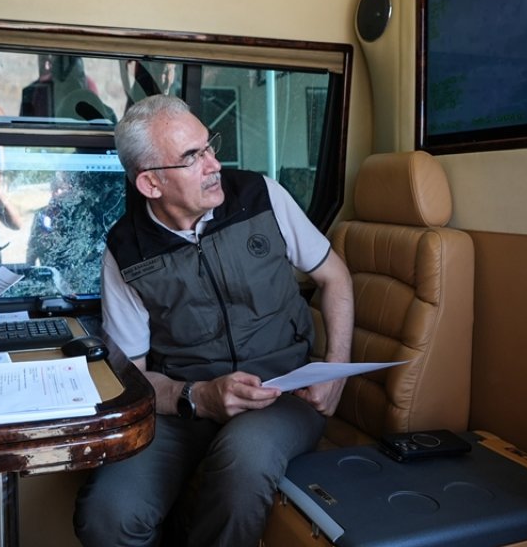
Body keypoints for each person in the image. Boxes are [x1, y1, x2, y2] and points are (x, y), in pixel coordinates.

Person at [73, 95, 354, 547]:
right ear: (150, 184)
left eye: (209, 147)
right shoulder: (125, 249)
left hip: (281, 393)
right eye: (192, 157)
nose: (214, 165)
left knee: (245, 457)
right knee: (108, 515)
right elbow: (135, 376)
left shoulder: (262, 197)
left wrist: (336, 369)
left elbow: (334, 276)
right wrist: (197, 397)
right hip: (182, 407)